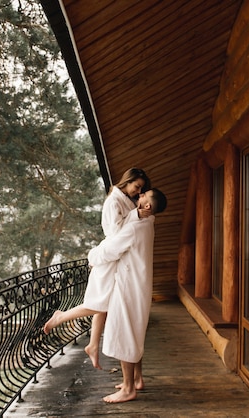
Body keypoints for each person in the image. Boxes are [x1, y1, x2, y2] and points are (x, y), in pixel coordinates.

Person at [44, 189, 167, 403]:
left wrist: (91, 256)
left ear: (147, 206)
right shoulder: (147, 224)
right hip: (137, 286)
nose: (139, 196)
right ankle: (136, 380)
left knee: (125, 334)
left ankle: (128, 388)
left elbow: (110, 250)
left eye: (143, 195)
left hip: (128, 288)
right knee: (133, 333)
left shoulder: (137, 229)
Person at [44, 168, 151, 370]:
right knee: (100, 302)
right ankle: (61, 317)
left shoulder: (126, 200)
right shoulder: (114, 201)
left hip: (116, 257)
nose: (138, 192)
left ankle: (92, 345)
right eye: (137, 186)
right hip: (110, 256)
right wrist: (135, 215)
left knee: (105, 302)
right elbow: (115, 232)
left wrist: (136, 215)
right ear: (127, 181)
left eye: (141, 189)